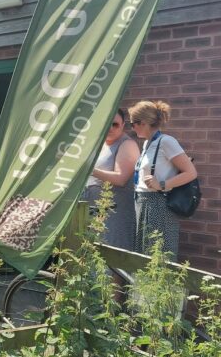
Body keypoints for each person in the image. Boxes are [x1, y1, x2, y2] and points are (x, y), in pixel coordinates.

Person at [129, 100, 198, 259]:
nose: (132, 127)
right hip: (142, 203)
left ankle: (159, 284)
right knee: (143, 257)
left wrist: (162, 184)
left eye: (133, 123)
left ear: (144, 123)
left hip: (158, 205)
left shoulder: (166, 141)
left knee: (158, 256)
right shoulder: (147, 143)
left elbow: (191, 172)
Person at [83, 108, 140, 250]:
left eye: (114, 124)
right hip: (95, 211)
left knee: (110, 257)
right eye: (106, 123)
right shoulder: (101, 144)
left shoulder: (127, 144)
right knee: (92, 255)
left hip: (114, 214)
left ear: (123, 125)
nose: (110, 127)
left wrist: (86, 169)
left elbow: (121, 179)